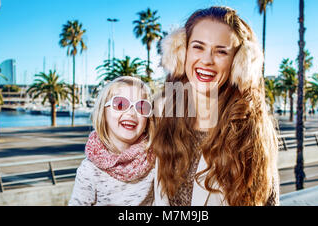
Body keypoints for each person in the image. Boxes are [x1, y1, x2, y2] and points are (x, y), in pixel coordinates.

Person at [152, 6, 280, 206]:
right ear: (180, 52)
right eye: (198, 47)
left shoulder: (252, 133)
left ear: (239, 63)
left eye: (221, 51)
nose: (207, 60)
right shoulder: (159, 119)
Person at [68, 76, 155, 206]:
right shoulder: (90, 170)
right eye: (120, 104)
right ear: (103, 112)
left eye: (141, 107)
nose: (131, 113)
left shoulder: (156, 161)